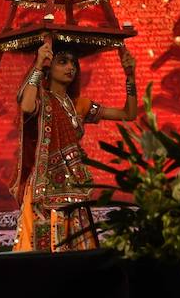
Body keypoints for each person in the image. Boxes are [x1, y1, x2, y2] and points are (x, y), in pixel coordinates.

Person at [12, 39, 138, 252]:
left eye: (73, 63)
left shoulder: (78, 104)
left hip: (74, 188)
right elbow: (26, 106)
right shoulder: (41, 99)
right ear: (49, 67)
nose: (70, 67)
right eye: (62, 61)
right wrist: (37, 65)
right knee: (45, 249)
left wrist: (130, 76)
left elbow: (129, 113)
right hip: (45, 188)